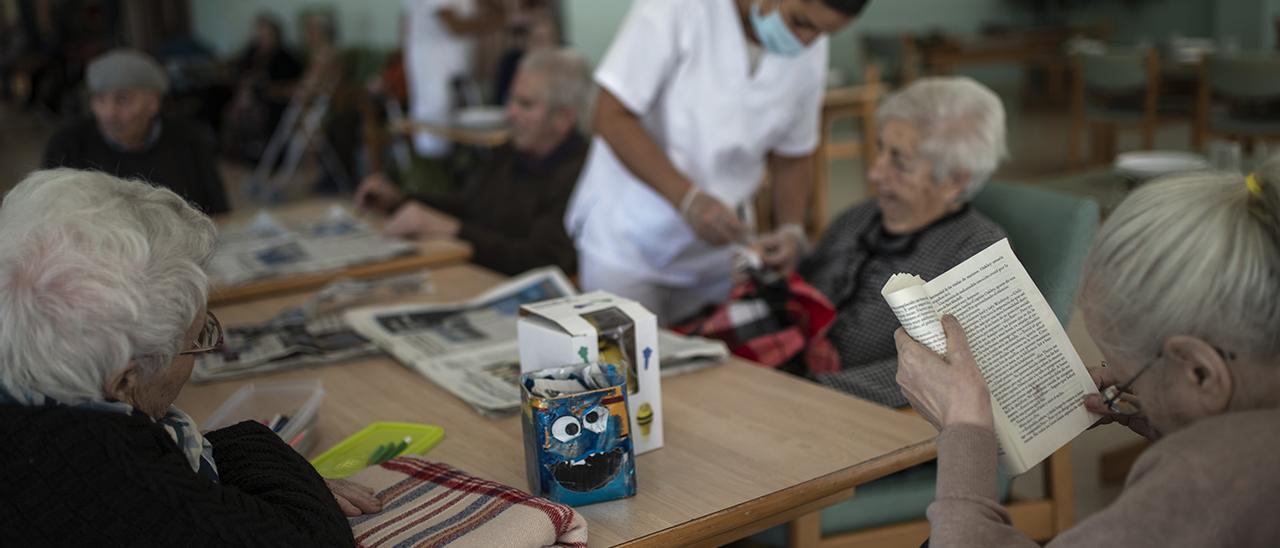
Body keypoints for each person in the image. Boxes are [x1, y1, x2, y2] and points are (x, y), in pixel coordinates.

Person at [895, 167, 1280, 545]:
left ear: (1199, 372)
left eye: (1130, 377)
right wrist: (1178, 416)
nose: (1117, 383)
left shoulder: (1204, 478)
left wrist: (964, 428)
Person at [0, 169, 381, 545]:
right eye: (196, 339)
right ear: (123, 383)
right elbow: (309, 538)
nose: (202, 352)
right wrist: (270, 461)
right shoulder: (104, 469)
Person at [565, 0, 868, 324]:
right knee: (628, 367)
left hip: (718, 248)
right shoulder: (678, 9)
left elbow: (793, 151)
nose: (806, 41)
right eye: (800, 22)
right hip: (630, 240)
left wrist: (790, 228)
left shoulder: (808, 45)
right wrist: (687, 198)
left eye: (823, 33)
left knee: (711, 365)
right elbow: (611, 116)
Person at [797, 77, 1008, 407]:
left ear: (955, 180)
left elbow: (950, 371)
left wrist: (816, 390)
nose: (875, 173)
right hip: (783, 382)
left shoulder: (975, 252)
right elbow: (806, 282)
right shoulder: (862, 216)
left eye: (899, 161)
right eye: (880, 148)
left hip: (853, 415)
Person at [355, 48, 589, 277]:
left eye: (525, 104)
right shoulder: (511, 151)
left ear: (563, 119)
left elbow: (539, 260)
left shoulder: (580, 174)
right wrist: (399, 201)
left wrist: (452, 230)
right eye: (511, 100)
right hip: (477, 276)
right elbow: (471, 210)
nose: (510, 113)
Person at [42, 49, 230, 215]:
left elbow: (217, 214)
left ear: (153, 103)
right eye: (99, 100)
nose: (109, 113)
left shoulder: (190, 140)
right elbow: (51, 217)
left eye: (123, 100)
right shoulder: (67, 145)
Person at [403, 0, 505, 159]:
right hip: (433, 77)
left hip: (461, 78)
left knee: (467, 147)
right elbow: (454, 26)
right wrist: (495, 21)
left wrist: (497, 15)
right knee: (436, 142)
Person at [222, 13, 304, 162]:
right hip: (249, 96)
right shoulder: (251, 51)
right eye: (260, 33)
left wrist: (263, 85)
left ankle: (261, 152)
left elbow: (291, 82)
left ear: (276, 34)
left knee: (258, 107)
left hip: (271, 97)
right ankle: (236, 151)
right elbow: (239, 70)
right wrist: (246, 81)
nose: (262, 37)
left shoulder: (285, 56)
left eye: (267, 33)